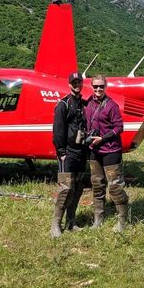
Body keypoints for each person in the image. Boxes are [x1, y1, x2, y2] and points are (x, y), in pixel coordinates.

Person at [85, 74, 129, 232]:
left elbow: (119, 127)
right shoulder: (89, 103)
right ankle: (98, 219)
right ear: (92, 87)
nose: (98, 89)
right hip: (94, 150)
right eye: (95, 86)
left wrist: (103, 138)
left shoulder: (112, 105)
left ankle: (122, 221)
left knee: (115, 187)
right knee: (97, 185)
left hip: (111, 150)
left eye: (101, 86)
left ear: (106, 87)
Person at [50, 72, 88, 238]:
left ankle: (71, 221)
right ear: (69, 84)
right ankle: (55, 225)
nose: (77, 85)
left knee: (78, 188)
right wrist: (61, 152)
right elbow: (57, 131)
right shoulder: (63, 105)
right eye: (74, 83)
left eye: (79, 82)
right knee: (66, 189)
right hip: (68, 153)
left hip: (81, 152)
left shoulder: (84, 104)